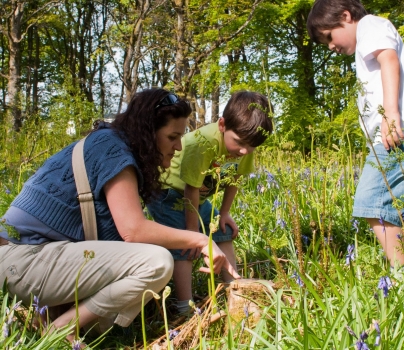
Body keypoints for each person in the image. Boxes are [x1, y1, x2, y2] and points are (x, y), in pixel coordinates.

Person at [0, 88, 240, 344]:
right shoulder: (113, 151)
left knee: (112, 313)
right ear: (148, 132)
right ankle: (58, 330)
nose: (178, 146)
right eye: (172, 136)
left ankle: (42, 318)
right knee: (156, 263)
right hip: (21, 259)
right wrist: (202, 240)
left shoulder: (112, 143)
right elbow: (133, 230)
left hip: (34, 258)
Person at [306, 0, 404, 267]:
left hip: (400, 133)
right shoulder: (367, 35)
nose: (330, 46)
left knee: (372, 201)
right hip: (401, 133)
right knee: (392, 208)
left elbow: (389, 59)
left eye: (329, 37)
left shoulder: (369, 25)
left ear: (346, 16)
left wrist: (390, 114)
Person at [147, 91, 273, 314]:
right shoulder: (202, 143)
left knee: (223, 231)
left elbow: (234, 179)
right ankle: (185, 306)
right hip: (169, 194)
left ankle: (234, 288)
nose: (244, 151)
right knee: (185, 246)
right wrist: (193, 232)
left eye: (250, 147)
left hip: (199, 198)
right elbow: (190, 189)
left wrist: (224, 213)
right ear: (222, 124)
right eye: (239, 143)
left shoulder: (246, 144)